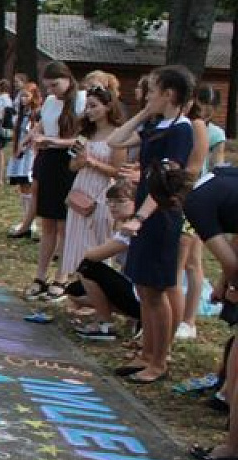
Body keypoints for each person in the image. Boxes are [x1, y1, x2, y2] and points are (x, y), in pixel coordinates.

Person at [106, 64, 196, 385]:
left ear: (169, 94)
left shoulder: (181, 130)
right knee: (143, 288)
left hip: (160, 216)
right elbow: (116, 141)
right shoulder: (157, 124)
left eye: (153, 90)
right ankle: (146, 352)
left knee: (156, 291)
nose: (148, 95)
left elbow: (166, 182)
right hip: (146, 213)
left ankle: (159, 359)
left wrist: (140, 217)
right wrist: (144, 113)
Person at [183, 153, 238, 460]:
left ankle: (233, 447)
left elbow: (231, 260)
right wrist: (221, 284)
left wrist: (232, 285)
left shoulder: (196, 206)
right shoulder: (221, 176)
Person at [23, 61, 86, 301]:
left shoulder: (81, 100)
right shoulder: (50, 101)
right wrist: (30, 138)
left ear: (68, 79)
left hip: (67, 163)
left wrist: (53, 141)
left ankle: (62, 277)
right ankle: (40, 276)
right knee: (48, 221)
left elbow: (82, 138)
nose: (52, 90)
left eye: (55, 85)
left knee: (64, 225)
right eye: (48, 86)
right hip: (48, 160)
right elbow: (41, 124)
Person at [60, 84, 125, 283]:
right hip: (82, 187)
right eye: (87, 106)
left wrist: (92, 162)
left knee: (99, 235)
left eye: (94, 106)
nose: (89, 111)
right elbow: (72, 165)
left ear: (107, 107)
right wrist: (79, 162)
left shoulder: (118, 135)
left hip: (103, 189)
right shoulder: (84, 134)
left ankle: (100, 283)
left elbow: (118, 169)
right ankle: (78, 283)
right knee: (76, 237)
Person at [177, 84, 225, 341]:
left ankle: (189, 320)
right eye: (200, 101)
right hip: (178, 194)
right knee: (177, 261)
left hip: (198, 197)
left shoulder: (215, 133)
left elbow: (216, 166)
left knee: (193, 261)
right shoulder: (183, 125)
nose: (204, 108)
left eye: (209, 105)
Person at [71, 179, 141, 341]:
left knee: (87, 267)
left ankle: (105, 323)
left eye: (121, 201)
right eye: (110, 202)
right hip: (133, 287)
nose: (113, 206)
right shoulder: (122, 226)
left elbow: (92, 256)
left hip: (143, 294)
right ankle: (132, 317)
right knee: (75, 291)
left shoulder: (130, 230)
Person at [7, 79, 40, 238]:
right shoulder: (22, 114)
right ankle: (25, 219)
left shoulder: (36, 115)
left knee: (29, 187)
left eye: (26, 96)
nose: (23, 99)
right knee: (22, 188)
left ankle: (31, 222)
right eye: (21, 96)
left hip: (29, 155)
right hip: (20, 153)